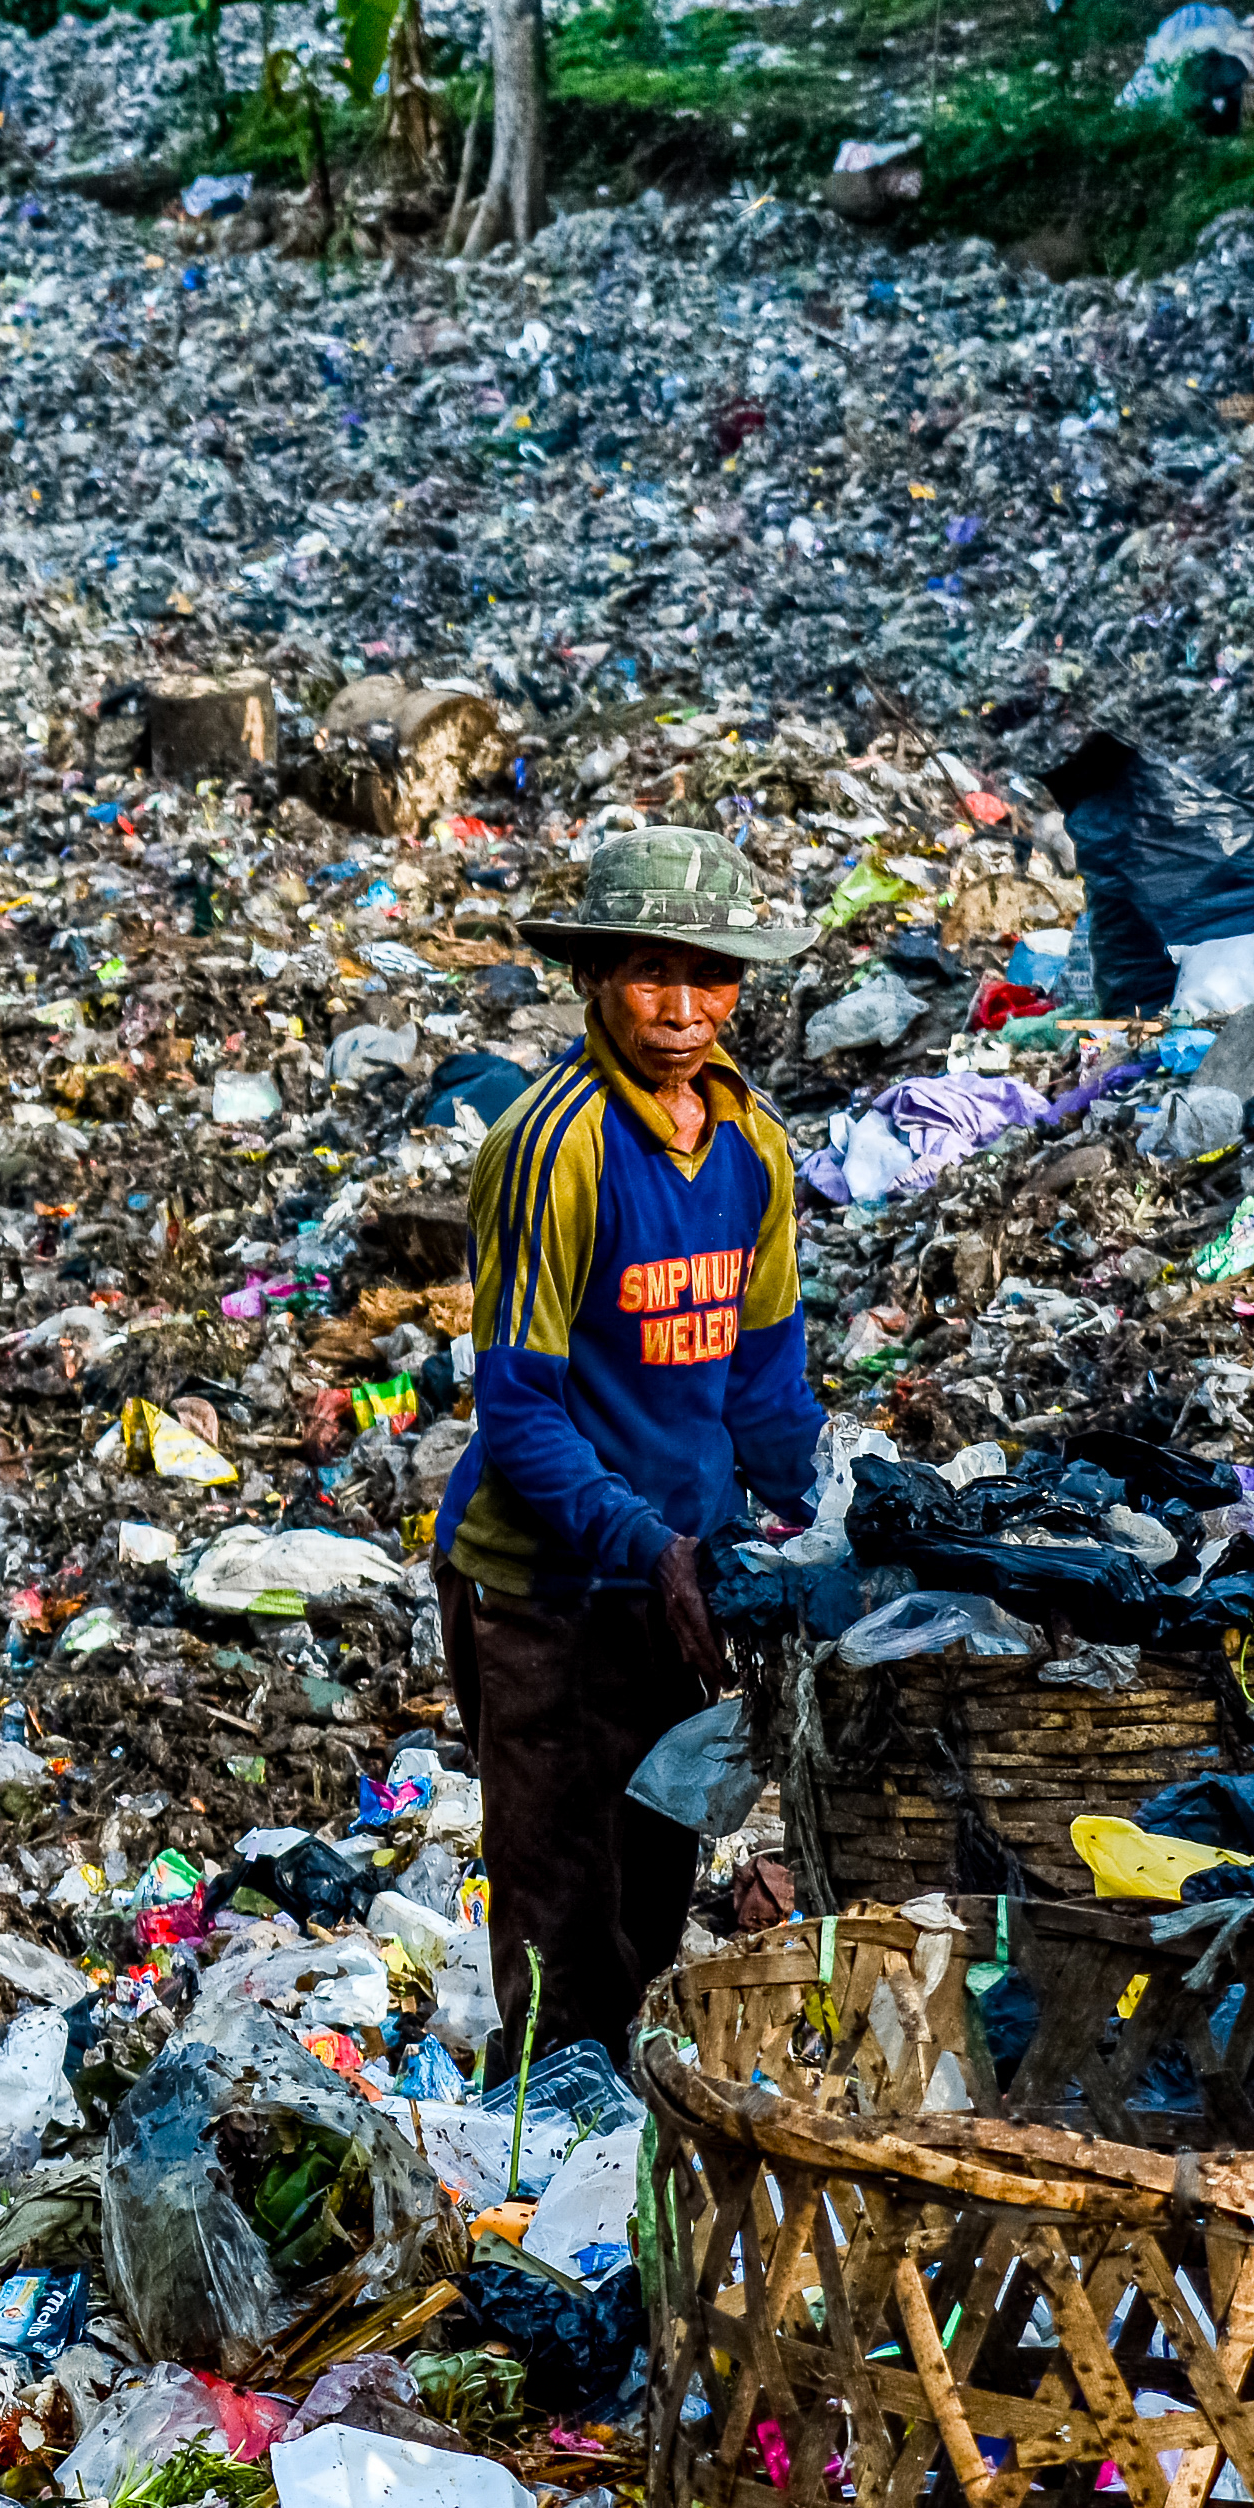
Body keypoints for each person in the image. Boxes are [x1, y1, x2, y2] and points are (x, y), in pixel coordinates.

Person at [431, 824, 824, 2072]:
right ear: (594, 975)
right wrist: (645, 1545)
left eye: (707, 976)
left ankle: (627, 2150)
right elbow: (520, 1411)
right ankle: (543, 2160)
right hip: (546, 1586)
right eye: (650, 973)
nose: (681, 1007)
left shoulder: (748, 1143)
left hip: (679, 1576)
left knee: (654, 1883)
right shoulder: (554, 1147)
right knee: (558, 1907)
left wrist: (814, 1513)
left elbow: (762, 1372)